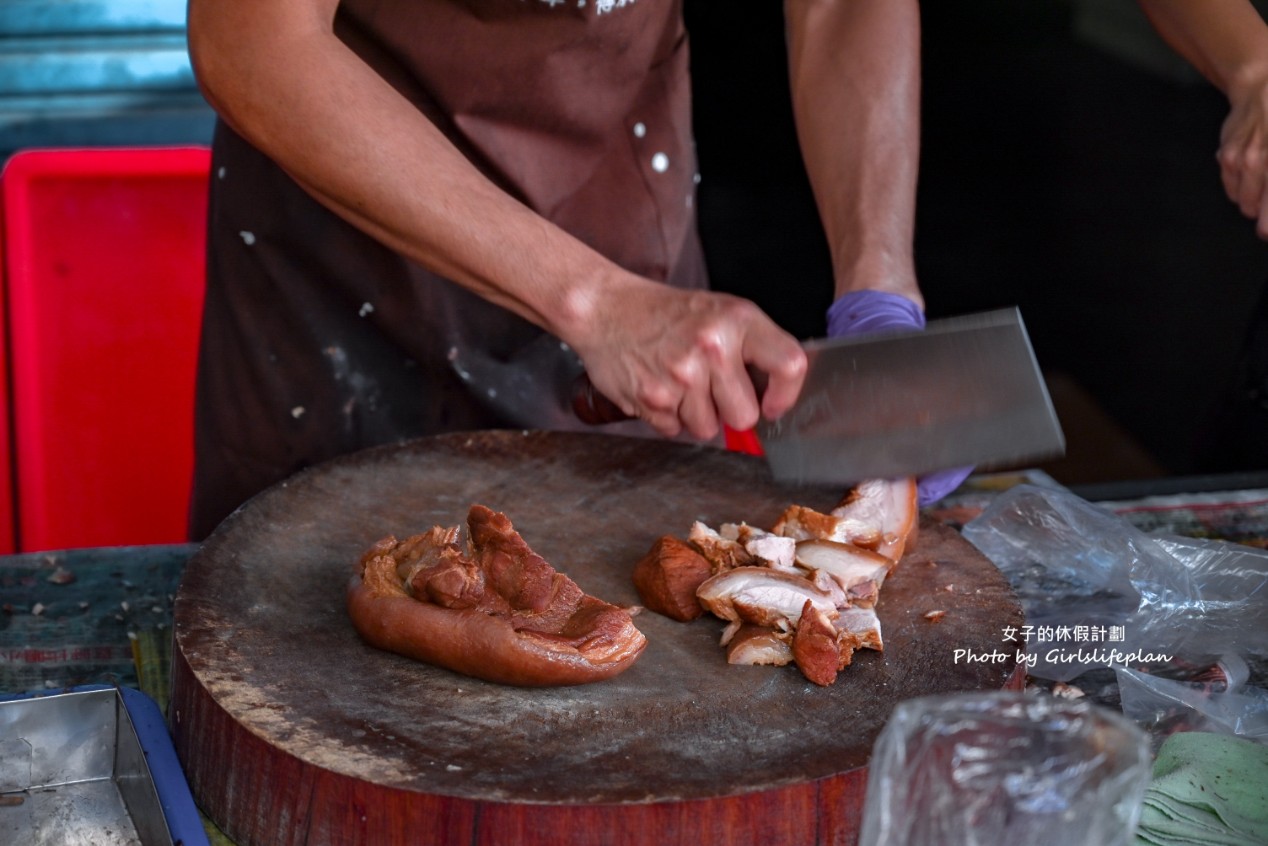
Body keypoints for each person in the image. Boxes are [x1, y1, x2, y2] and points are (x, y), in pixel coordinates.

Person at [184, 0, 953, 539]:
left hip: (630, 253)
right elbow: (255, 42)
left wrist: (877, 291)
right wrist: (598, 305)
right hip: (352, 288)